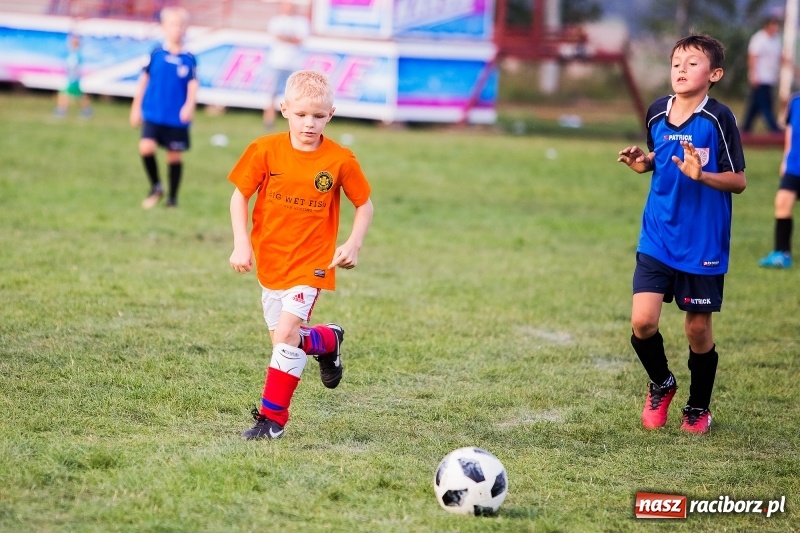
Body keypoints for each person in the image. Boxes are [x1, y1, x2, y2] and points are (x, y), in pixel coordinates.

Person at [228, 70, 374, 440]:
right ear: (285, 110)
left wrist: (353, 242)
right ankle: (327, 340)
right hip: (271, 261)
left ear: (331, 114)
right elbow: (239, 196)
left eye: (318, 116)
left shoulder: (340, 160)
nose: (310, 123)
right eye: (302, 114)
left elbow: (365, 204)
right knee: (284, 342)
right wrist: (241, 242)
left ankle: (271, 420)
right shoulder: (265, 150)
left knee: (287, 332)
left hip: (313, 263)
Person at [617, 34, 747, 435]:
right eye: (676, 63)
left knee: (697, 330)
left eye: (692, 64)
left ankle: (698, 407)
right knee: (642, 323)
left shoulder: (718, 118)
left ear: (715, 74)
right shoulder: (657, 112)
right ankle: (662, 383)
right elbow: (663, 155)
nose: (681, 69)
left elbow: (738, 180)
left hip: (702, 242)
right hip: (657, 234)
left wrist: (702, 175)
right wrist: (647, 163)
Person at [129, 6, 198, 209]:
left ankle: (172, 199)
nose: (176, 29)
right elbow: (143, 80)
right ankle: (156, 186)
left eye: (180, 25)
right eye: (172, 25)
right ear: (164, 27)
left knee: (173, 155)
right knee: (146, 147)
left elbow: (193, 86)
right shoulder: (156, 53)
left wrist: (189, 106)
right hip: (153, 112)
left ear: (185, 28)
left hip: (175, 116)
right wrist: (135, 107)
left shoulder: (189, 58)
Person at [758, 91, 800, 268]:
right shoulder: (795, 101)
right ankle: (782, 254)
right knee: (782, 203)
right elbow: (791, 132)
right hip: (795, 164)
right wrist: (785, 159)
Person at [262, 0, 310, 130]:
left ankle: (297, 122)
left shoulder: (301, 22)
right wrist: (291, 38)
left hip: (294, 64)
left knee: (296, 95)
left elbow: (299, 39)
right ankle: (269, 121)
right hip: (277, 62)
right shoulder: (276, 21)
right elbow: (277, 36)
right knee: (272, 93)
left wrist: (286, 38)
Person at [742, 16, 783, 133]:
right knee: (766, 105)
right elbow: (752, 57)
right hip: (760, 77)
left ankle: (745, 128)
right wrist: (753, 74)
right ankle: (774, 129)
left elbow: (780, 56)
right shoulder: (759, 38)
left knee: (755, 105)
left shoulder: (776, 40)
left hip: (770, 78)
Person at [54, 33, 92, 118]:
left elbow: (74, 68)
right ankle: (87, 110)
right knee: (78, 95)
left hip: (73, 79)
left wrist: (72, 78)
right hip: (71, 78)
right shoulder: (72, 53)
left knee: (64, 94)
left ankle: (61, 110)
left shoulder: (76, 55)